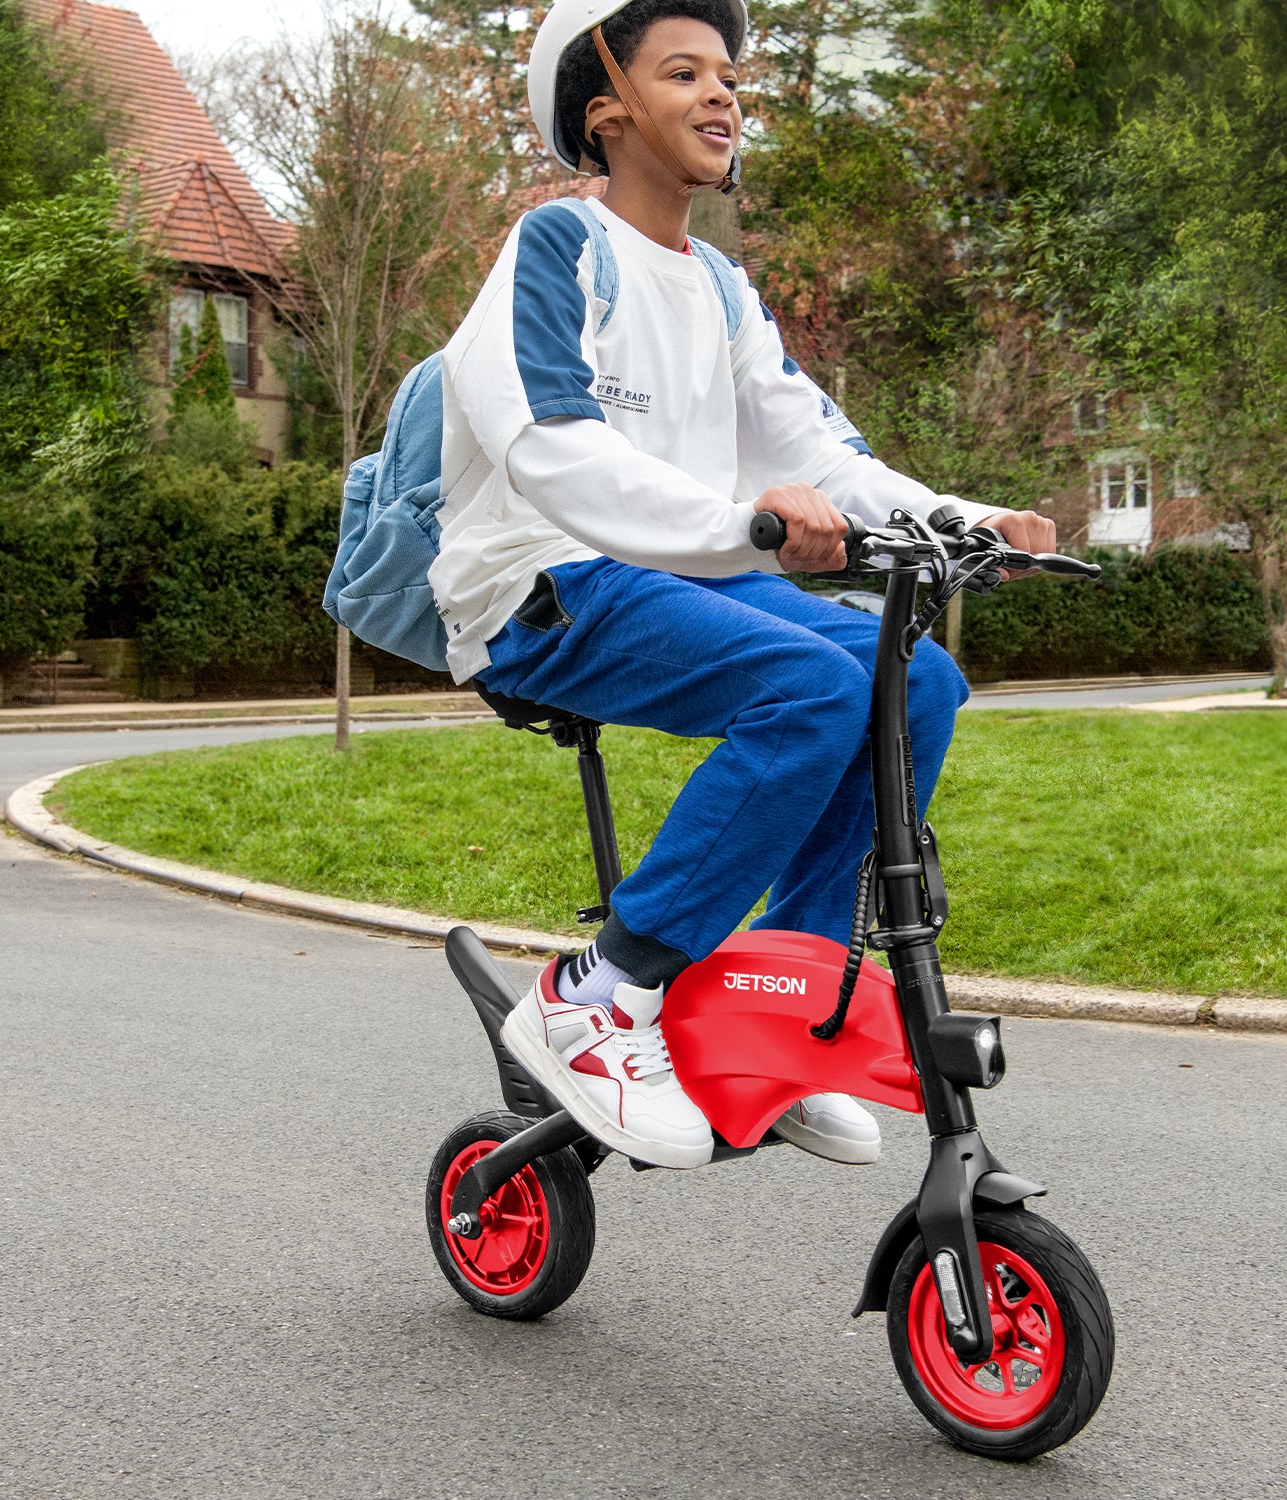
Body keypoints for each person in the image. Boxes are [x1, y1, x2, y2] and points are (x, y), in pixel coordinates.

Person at [430, 0, 1056, 1171]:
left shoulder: (720, 284)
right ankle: (599, 988)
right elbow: (548, 444)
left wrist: (966, 523)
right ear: (606, 108)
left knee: (914, 683)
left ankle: (775, 998)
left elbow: (814, 447)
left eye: (729, 75)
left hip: (681, 571)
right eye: (685, 72)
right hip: (541, 582)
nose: (724, 95)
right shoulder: (558, 248)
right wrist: (745, 526)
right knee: (812, 693)